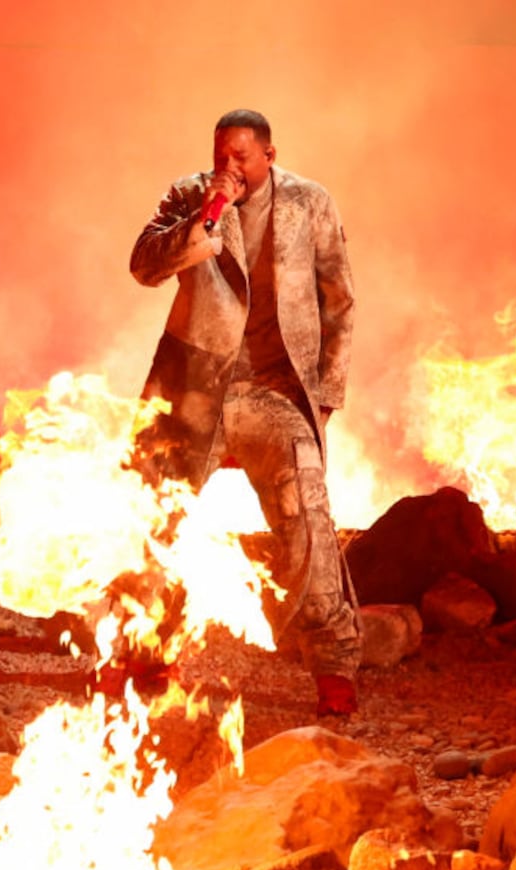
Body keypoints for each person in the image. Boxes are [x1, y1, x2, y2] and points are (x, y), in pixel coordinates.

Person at [129, 109, 362, 715]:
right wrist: (205, 219)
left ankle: (334, 664)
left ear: (268, 156)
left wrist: (326, 394)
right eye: (220, 156)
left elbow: (339, 300)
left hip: (275, 389)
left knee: (307, 514)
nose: (228, 167)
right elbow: (144, 267)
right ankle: (145, 653)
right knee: (151, 514)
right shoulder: (190, 197)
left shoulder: (309, 203)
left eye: (241, 157)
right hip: (193, 387)